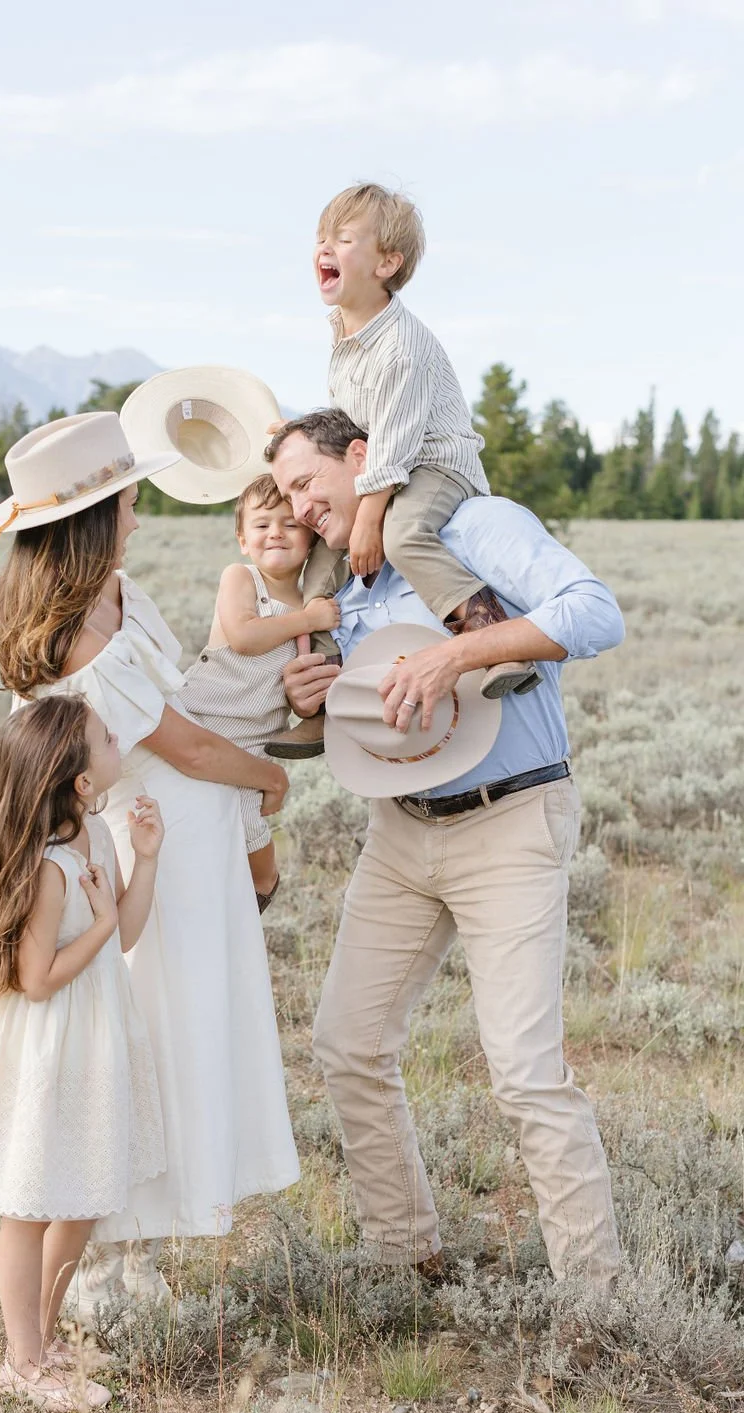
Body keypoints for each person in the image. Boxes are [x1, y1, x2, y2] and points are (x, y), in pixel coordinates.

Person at [266, 408, 623, 1286]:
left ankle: (597, 1301)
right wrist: (312, 695)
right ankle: (406, 1255)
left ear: (363, 456)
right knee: (348, 1041)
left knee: (526, 1073)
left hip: (511, 818)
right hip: (401, 831)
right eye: (285, 497)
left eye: (308, 485)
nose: (302, 508)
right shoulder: (336, 578)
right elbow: (368, 710)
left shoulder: (471, 526)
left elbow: (596, 613)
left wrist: (458, 657)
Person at [0, 412, 300, 1324]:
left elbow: (190, 696)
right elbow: (185, 748)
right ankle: (94, 1270)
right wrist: (269, 776)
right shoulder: (77, 633)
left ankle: (135, 1247)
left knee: (177, 1037)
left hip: (187, 853)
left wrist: (283, 691)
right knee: (133, 1042)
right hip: (133, 854)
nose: (137, 514)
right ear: (89, 519)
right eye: (124, 501)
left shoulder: (122, 595)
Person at [0, 694, 166, 1411]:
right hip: (44, 1039)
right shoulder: (47, 867)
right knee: (29, 1203)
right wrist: (104, 920)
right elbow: (37, 978)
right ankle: (20, 1362)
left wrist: (144, 862)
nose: (119, 739)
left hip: (90, 1034)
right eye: (106, 738)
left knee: (82, 1193)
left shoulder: (97, 834)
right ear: (81, 780)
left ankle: (46, 1338)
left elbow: (122, 936)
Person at [267, 182, 537, 761]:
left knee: (403, 534)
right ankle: (324, 702)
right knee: (316, 581)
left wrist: (368, 519)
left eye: (342, 238)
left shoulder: (402, 346)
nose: (324, 248)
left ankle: (494, 643)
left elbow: (392, 441)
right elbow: (352, 422)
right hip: (390, 469)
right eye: (320, 238)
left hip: (435, 463)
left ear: (387, 263)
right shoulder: (343, 333)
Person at [179, 473, 340, 910]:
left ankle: (260, 888)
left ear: (310, 538)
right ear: (242, 539)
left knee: (246, 820)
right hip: (203, 717)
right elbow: (244, 636)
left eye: (290, 524)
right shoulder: (243, 578)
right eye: (262, 524)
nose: (276, 533)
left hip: (256, 737)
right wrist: (309, 620)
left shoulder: (313, 600)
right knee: (186, 807)